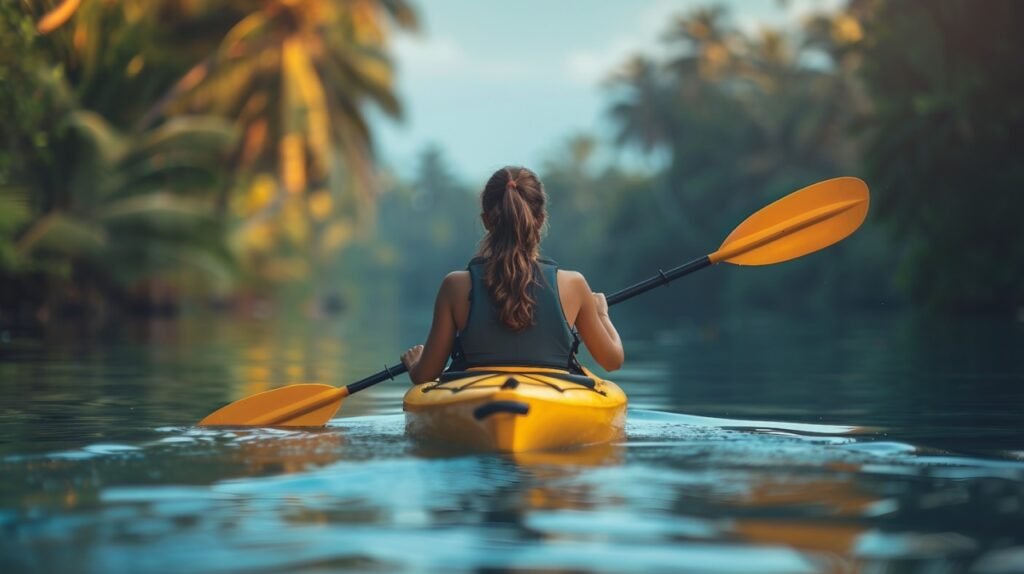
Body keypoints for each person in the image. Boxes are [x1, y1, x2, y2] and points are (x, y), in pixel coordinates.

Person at [400, 166, 624, 385]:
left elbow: (425, 376)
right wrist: (602, 313)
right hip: (550, 400)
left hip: (476, 403)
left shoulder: (455, 285)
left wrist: (416, 363)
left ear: (486, 220)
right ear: (540, 219)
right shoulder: (573, 284)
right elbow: (612, 361)